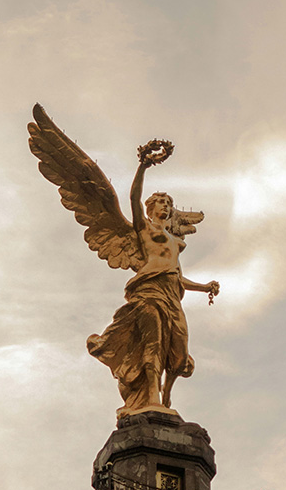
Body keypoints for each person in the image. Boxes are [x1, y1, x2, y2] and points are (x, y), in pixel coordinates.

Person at [87, 152, 219, 413]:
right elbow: (133, 198)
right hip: (148, 291)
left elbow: (177, 276)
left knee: (180, 357)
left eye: (168, 203)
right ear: (151, 208)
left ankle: (165, 394)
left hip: (171, 294)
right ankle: (153, 400)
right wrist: (143, 166)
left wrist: (204, 287)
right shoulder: (143, 229)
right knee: (154, 343)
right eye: (160, 202)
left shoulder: (174, 241)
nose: (165, 207)